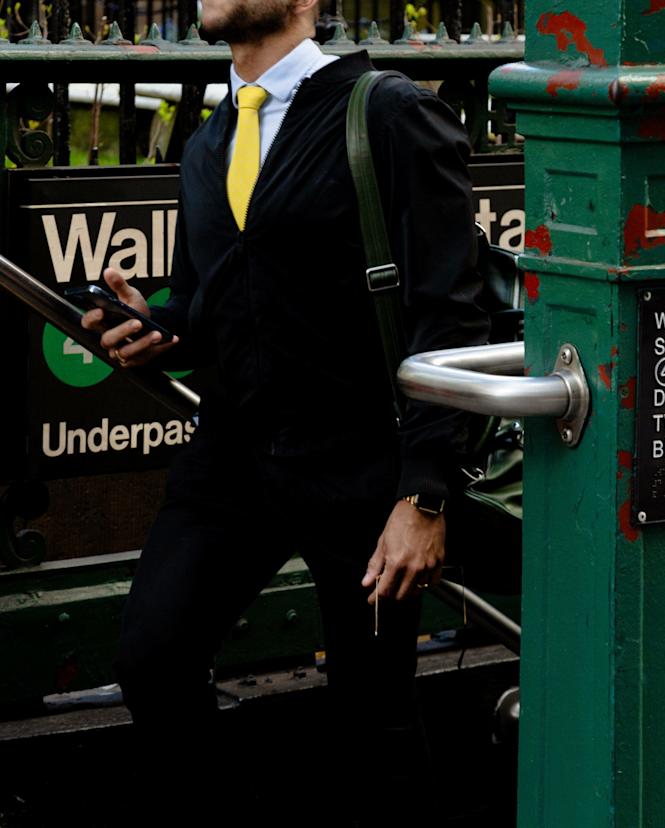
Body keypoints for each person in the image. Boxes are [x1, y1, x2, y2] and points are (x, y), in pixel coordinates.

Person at [80, 0, 488, 820]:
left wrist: (424, 494)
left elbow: (451, 314)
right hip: (233, 459)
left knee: (375, 717)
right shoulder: (210, 139)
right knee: (152, 661)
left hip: (363, 466)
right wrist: (156, 325)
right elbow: (211, 303)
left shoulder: (388, 113)